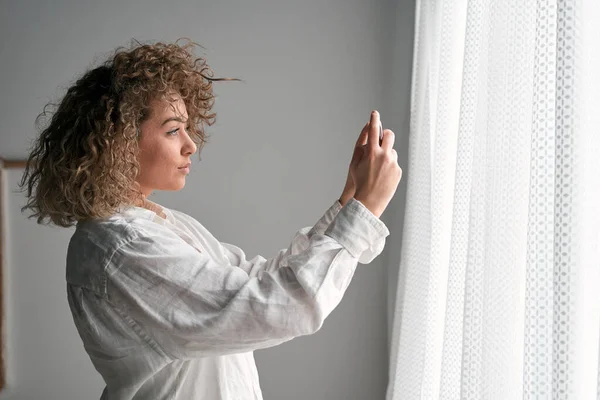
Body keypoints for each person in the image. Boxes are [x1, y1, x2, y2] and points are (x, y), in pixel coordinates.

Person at [18, 39, 402, 400]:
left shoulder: (161, 224)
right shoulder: (120, 247)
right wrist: (364, 210)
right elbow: (280, 305)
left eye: (187, 127)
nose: (191, 144)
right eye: (173, 130)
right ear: (119, 142)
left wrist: (351, 197)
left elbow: (261, 281)